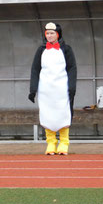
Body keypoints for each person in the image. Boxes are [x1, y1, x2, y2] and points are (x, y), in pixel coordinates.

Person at [28, 22, 77, 155]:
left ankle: (64, 142)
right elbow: (35, 69)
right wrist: (33, 89)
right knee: (47, 115)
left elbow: (72, 68)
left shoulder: (66, 49)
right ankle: (50, 142)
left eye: (52, 33)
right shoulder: (41, 50)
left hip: (62, 89)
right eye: (47, 33)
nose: (49, 36)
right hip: (45, 89)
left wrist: (72, 86)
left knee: (63, 115)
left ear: (58, 34)